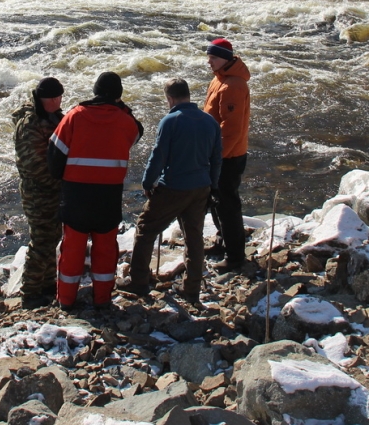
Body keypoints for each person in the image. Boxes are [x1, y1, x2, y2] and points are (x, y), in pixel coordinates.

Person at [47, 71, 143, 310]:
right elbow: (138, 131)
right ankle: (102, 300)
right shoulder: (125, 121)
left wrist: (62, 180)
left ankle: (66, 300)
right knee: (105, 250)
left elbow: (54, 154)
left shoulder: (75, 115)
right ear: (119, 96)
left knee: (72, 249)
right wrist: (122, 107)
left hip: (76, 195)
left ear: (95, 91)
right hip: (108, 197)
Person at [122, 78, 222, 305]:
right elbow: (217, 159)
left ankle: (139, 281)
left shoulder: (170, 121)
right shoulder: (210, 121)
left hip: (174, 187)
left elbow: (158, 156)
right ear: (188, 94)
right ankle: (192, 289)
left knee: (146, 229)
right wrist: (213, 186)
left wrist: (147, 183)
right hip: (201, 187)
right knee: (194, 236)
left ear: (170, 98)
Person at [11, 77, 66, 304]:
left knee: (53, 237)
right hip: (38, 193)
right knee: (41, 241)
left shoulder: (51, 117)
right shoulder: (30, 125)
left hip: (51, 191)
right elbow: (37, 167)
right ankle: (30, 293)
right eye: (58, 98)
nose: (60, 101)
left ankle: (47, 284)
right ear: (50, 99)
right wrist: (64, 186)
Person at [203, 37, 251, 271]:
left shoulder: (233, 85)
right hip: (219, 153)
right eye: (208, 56)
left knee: (227, 205)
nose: (208, 61)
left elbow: (231, 130)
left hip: (227, 156)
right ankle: (223, 243)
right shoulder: (220, 77)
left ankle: (235, 257)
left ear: (225, 58)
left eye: (213, 57)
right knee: (216, 202)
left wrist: (215, 159)